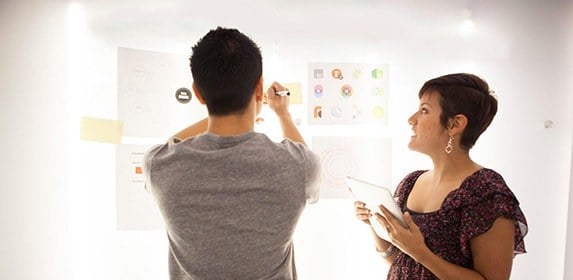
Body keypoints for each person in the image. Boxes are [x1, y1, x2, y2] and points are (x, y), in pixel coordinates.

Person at [143, 27, 321, 280]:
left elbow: (172, 144)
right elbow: (303, 155)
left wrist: (240, 113)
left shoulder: (160, 166)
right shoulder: (298, 166)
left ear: (197, 93)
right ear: (259, 89)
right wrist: (282, 114)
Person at [354, 73, 528, 279]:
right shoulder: (411, 183)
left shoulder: (486, 192)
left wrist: (421, 253)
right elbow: (399, 261)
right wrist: (375, 223)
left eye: (424, 110)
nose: (412, 120)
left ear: (454, 125)